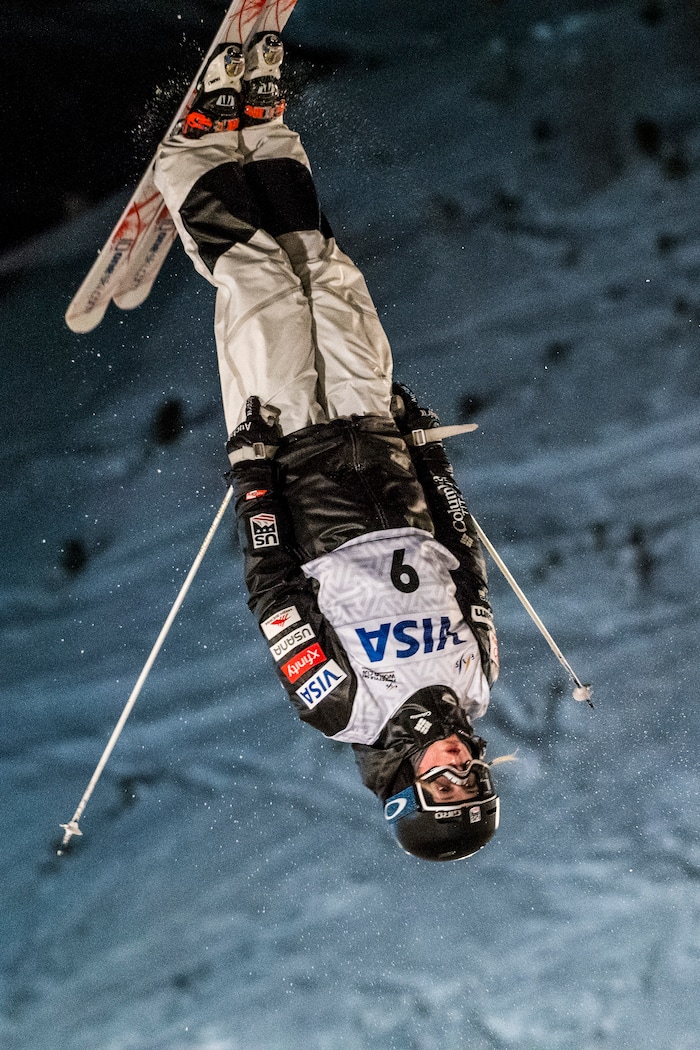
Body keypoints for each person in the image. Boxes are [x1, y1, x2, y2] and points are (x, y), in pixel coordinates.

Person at [153, 32, 501, 861]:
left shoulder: (343, 708)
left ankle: (196, 153)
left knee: (261, 287)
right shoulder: (478, 680)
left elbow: (274, 594)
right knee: (329, 277)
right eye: (476, 780)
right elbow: (464, 556)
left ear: (405, 793)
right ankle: (264, 131)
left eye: (447, 787)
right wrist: (430, 459)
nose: (461, 766)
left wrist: (256, 480)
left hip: (295, 461)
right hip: (378, 446)